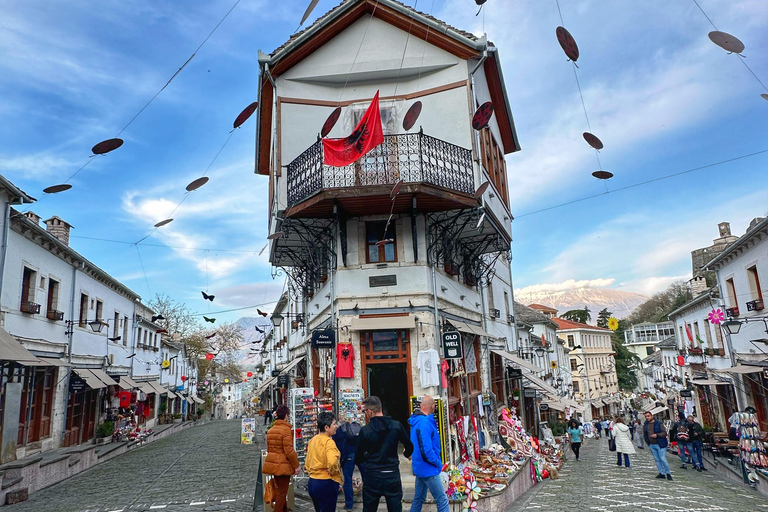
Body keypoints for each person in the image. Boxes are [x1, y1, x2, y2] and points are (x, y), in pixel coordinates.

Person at [355, 396, 414, 512]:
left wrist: (366, 460)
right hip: (391, 474)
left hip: (372, 475)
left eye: (365, 411)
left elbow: (358, 456)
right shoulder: (396, 426)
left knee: (369, 509)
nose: (365, 414)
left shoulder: (365, 431)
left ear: (370, 412)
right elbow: (409, 445)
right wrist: (407, 454)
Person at [408, 396, 449, 512]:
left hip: (419, 466)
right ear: (432, 406)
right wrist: (438, 463)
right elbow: (427, 450)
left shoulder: (416, 421)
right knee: (442, 499)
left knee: (419, 498)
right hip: (429, 468)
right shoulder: (425, 423)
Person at [263, 404, 301, 512]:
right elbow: (289, 451)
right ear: (286, 416)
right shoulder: (285, 430)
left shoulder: (271, 430)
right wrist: (296, 465)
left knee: (281, 490)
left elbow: (270, 448)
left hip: (273, 464)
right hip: (283, 465)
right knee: (282, 493)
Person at [306, 412, 343, 512]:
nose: (336, 426)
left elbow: (308, 462)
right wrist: (334, 471)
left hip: (313, 481)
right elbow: (332, 461)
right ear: (327, 427)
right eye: (334, 424)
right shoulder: (329, 442)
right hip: (326, 482)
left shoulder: (313, 440)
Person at [333, 420, 365, 511]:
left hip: (347, 456)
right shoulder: (357, 429)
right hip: (360, 454)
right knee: (366, 478)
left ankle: (349, 505)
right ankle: (368, 502)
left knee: (347, 479)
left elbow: (335, 447)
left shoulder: (339, 432)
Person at [643, 411, 672, 480]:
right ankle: (661, 473)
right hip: (651, 445)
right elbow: (645, 434)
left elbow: (664, 433)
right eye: (646, 416)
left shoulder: (658, 423)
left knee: (663, 459)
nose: (647, 417)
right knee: (657, 459)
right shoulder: (646, 424)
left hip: (660, 444)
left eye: (648, 416)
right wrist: (648, 443)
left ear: (652, 416)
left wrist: (657, 435)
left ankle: (668, 473)